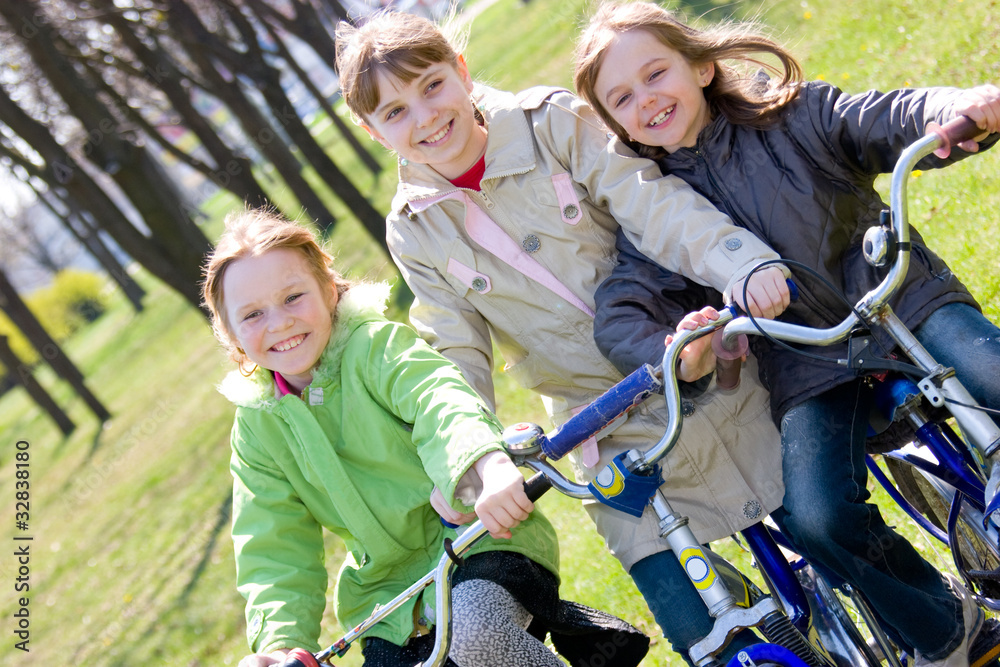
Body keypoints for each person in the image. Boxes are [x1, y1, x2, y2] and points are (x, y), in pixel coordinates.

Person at [335, 9, 793, 666]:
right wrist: (465, 463)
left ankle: (946, 627)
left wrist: (737, 263)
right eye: (396, 112)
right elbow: (454, 353)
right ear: (372, 131)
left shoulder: (551, 123)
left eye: (433, 86)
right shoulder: (415, 229)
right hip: (601, 426)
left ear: (461, 72)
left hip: (699, 355)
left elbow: (652, 205)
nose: (426, 116)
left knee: (821, 524)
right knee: (696, 625)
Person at [573, 2, 1000, 665]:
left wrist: (953, 110)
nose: (646, 101)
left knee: (993, 378)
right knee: (818, 516)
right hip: (807, 366)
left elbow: (883, 118)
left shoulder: (794, 116)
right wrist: (680, 347)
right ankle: (950, 629)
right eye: (622, 99)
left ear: (702, 65)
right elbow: (621, 312)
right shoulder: (656, 216)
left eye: (656, 74)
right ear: (613, 125)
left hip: (900, 301)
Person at [202, 209, 650, 667]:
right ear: (231, 336)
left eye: (293, 297)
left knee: (474, 634)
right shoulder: (258, 427)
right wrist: (278, 644)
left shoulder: (377, 349)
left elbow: (439, 401)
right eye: (253, 315)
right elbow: (273, 543)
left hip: (477, 541)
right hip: (389, 599)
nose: (278, 323)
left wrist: (485, 465)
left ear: (329, 289)